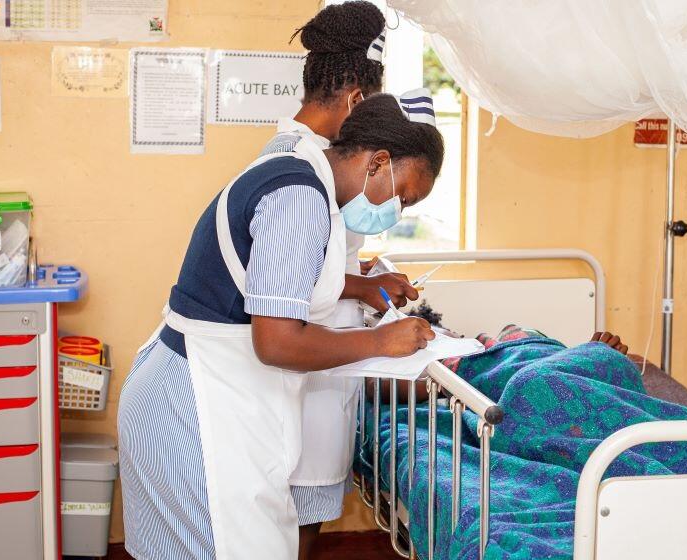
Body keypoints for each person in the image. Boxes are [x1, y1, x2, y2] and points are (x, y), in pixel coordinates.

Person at [118, 93, 445, 560]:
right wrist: (379, 341)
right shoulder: (300, 197)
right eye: (403, 196)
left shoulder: (299, 174)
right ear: (379, 162)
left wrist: (357, 288)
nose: (398, 212)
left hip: (186, 389)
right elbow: (276, 342)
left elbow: (279, 283)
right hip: (195, 410)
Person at [258, 4, 404, 557]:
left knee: (303, 507)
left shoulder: (313, 163)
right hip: (298, 352)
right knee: (292, 510)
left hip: (315, 348)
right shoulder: (301, 174)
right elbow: (280, 312)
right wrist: (377, 334)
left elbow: (308, 267)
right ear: (357, 101)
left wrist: (364, 281)